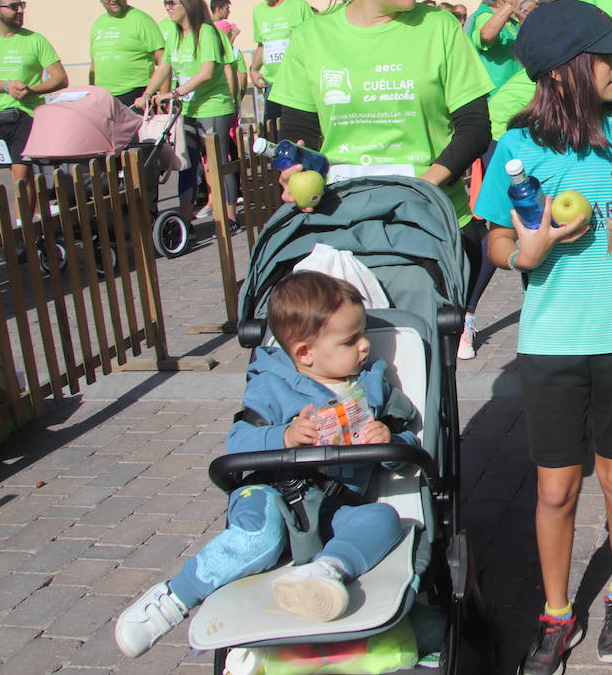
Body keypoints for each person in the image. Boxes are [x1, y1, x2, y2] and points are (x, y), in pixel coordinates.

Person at [474, 0, 612, 674]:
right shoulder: (519, 149)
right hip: (551, 343)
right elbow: (497, 238)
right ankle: (557, 613)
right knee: (556, 489)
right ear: (566, 72)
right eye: (608, 57)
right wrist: (522, 254)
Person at [112, 271, 415, 658]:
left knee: (384, 519)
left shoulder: (373, 384)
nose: (365, 346)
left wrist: (389, 441)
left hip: (336, 506)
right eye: (350, 340)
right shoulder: (272, 384)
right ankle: (174, 598)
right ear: (305, 353)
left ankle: (325, 572)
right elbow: (238, 442)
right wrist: (284, 437)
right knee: (261, 537)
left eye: (362, 335)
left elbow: (406, 442)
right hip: (270, 493)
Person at [270, 0, 493, 297]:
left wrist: (422, 188)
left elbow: (475, 128)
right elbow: (299, 134)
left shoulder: (439, 28)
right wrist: (294, 172)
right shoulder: (311, 38)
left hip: (431, 226)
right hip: (341, 225)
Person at [459, 0, 540, 359]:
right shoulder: (482, 19)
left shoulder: (514, 23)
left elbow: (537, 39)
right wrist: (512, 6)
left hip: (520, 129)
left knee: (527, 221)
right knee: (498, 224)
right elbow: (487, 36)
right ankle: (466, 317)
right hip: (493, 133)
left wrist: (525, 10)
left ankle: (537, 305)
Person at [137, 0, 241, 228]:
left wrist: (175, 92)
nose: (167, 8)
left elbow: (206, 73)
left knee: (218, 163)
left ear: (188, 4)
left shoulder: (206, 32)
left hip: (214, 105)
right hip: (189, 108)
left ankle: (229, 218)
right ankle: (185, 221)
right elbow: (164, 67)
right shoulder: (174, 34)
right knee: (186, 162)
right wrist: (148, 93)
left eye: (172, 3)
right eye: (165, 2)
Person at [0, 0, 68, 195]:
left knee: (20, 175)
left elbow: (60, 78)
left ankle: (23, 224)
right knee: (21, 175)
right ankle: (38, 219)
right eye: (13, 7)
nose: (20, 10)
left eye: (21, 5)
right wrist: (5, 86)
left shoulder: (34, 40)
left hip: (26, 115)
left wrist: (31, 90)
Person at [249, 0, 314, 124]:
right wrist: (254, 70)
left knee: (299, 127)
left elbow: (314, 39)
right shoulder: (258, 11)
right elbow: (261, 44)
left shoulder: (299, 6)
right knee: (273, 130)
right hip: (272, 83)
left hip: (297, 81)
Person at [89, 0, 165, 107]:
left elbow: (164, 62)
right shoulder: (98, 24)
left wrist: (163, 100)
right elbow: (94, 65)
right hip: (104, 97)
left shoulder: (141, 20)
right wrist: (91, 94)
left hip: (137, 96)